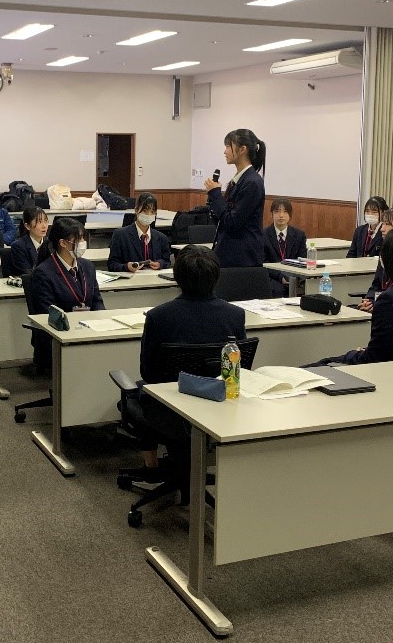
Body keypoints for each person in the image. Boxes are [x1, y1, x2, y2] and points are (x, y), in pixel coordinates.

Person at [132, 245, 247, 472]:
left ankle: (151, 464)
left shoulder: (158, 316)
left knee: (136, 390)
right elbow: (237, 368)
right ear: (216, 276)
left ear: (177, 277)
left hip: (171, 408)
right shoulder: (235, 315)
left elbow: (148, 373)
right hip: (220, 404)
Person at [311, 225, 393, 365]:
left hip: (385, 370)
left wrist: (353, 354)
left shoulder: (390, 300)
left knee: (317, 365)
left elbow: (374, 358)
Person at [30, 218, 105, 370]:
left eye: (83, 238)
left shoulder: (87, 266)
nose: (83, 243)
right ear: (63, 243)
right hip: (61, 335)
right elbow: (49, 313)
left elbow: (97, 300)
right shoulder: (44, 273)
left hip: (89, 329)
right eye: (78, 239)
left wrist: (102, 322)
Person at [204, 129, 266, 267]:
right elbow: (224, 219)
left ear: (242, 149)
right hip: (230, 253)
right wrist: (214, 199)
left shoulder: (252, 182)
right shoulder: (239, 180)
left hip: (242, 258)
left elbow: (232, 222)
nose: (225, 151)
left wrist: (216, 194)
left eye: (228, 146)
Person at [107, 192, 172, 273]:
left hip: (154, 278)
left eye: (152, 212)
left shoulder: (161, 237)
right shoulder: (120, 235)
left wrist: (160, 264)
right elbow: (112, 264)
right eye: (145, 211)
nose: (149, 215)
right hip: (132, 279)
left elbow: (167, 261)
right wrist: (126, 267)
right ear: (136, 210)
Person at [262, 198, 307, 297]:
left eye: (285, 212)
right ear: (271, 214)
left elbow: (302, 259)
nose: (281, 215)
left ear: (290, 215)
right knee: (278, 290)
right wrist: (280, 276)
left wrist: (292, 276)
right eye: (277, 211)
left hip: (294, 276)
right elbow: (263, 263)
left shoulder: (299, 235)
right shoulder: (263, 235)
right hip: (273, 277)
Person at [9, 205, 48, 276]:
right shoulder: (19, 246)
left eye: (45, 221)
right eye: (39, 222)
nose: (44, 226)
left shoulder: (50, 244)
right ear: (27, 226)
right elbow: (26, 272)